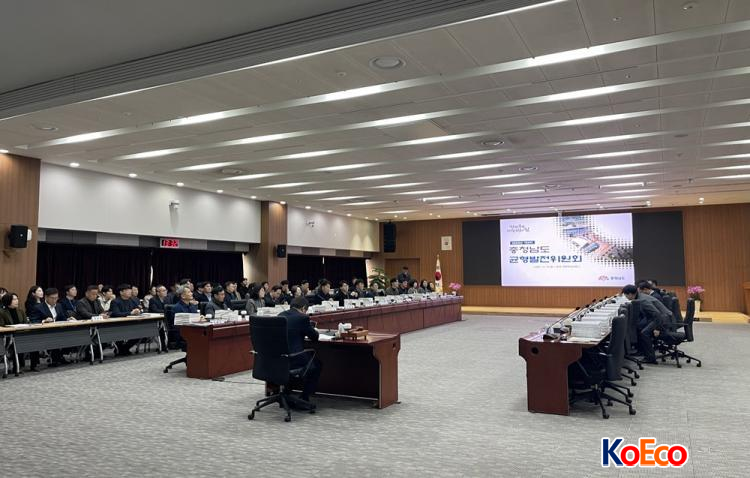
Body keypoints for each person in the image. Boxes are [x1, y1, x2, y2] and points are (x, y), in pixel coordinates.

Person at [278, 297, 321, 404]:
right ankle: (304, 397)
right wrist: (313, 329)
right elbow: (315, 337)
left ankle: (287, 393)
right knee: (317, 365)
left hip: (279, 359)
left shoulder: (280, 315)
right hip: (294, 359)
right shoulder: (302, 318)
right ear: (303, 308)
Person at [622, 284, 668, 364]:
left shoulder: (642, 300)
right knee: (638, 326)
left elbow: (657, 314)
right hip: (654, 318)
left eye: (625, 295)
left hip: (663, 319)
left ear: (630, 294)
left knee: (644, 333)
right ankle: (641, 351)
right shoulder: (639, 297)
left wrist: (657, 328)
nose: (625, 297)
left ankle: (651, 358)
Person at [31, 288, 72, 366]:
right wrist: (44, 321)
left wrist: (68, 319)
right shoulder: (38, 307)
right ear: (46, 297)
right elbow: (33, 321)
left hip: (58, 331)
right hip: (44, 332)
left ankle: (59, 356)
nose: (54, 300)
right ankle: (56, 358)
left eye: (56, 298)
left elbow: (62, 318)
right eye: (52, 298)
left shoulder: (59, 306)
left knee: (72, 336)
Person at [0, 293, 35, 373]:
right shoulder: (2, 312)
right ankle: (17, 367)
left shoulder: (20, 311)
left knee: (34, 341)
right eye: (14, 299)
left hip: (21, 335)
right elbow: (1, 325)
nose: (17, 301)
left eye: (17, 299)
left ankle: (32, 365)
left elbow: (26, 323)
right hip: (8, 337)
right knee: (17, 344)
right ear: (8, 301)